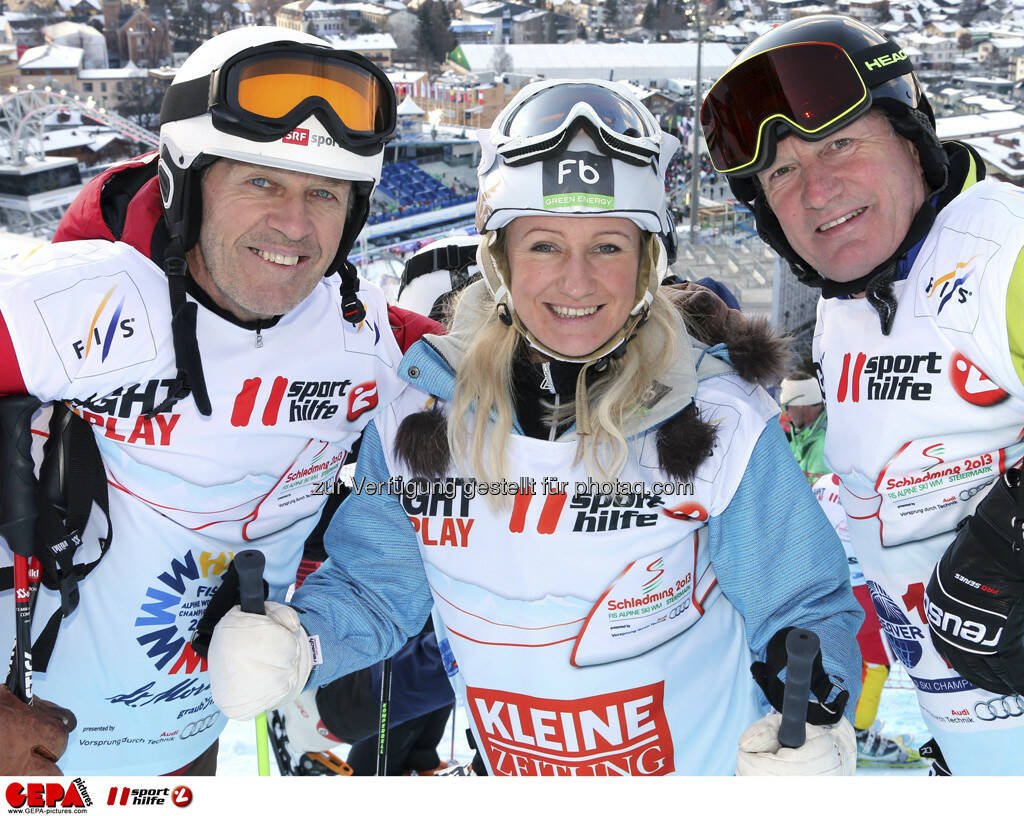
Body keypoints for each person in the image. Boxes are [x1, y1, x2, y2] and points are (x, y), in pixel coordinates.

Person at [207, 79, 864, 776]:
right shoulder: (419, 416)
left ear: (646, 262)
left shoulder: (717, 420)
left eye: (607, 246)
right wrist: (298, 641)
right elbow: (375, 588)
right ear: (500, 260)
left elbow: (802, 607)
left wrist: (815, 719)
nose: (577, 283)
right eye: (545, 245)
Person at [0, 26, 440, 775]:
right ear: (186, 185)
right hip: (33, 752)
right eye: (261, 182)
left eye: (324, 193)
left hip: (188, 750)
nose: (294, 225)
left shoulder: (373, 342)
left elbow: (525, 373)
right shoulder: (65, 305)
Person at [700, 13, 1024, 774]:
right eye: (781, 174)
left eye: (841, 144)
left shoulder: (1002, 253)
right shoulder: (847, 308)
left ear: (913, 140)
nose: (817, 192)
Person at [779, 372, 828, 484]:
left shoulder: (826, 444)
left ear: (801, 404)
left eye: (786, 406)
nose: (786, 412)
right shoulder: (800, 439)